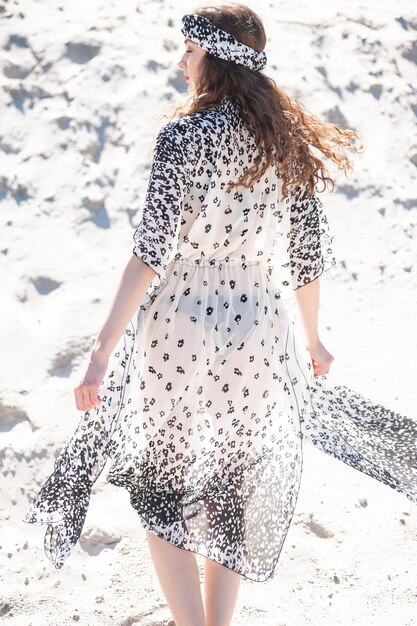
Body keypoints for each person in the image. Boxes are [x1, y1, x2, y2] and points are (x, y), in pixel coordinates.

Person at [24, 4, 417, 626]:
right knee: (234, 478)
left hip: (179, 318)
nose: (181, 61)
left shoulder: (183, 137)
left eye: (188, 50)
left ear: (215, 57)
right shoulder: (281, 137)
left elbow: (150, 254)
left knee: (164, 480)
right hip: (258, 321)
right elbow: (306, 254)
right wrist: (313, 339)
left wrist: (101, 352)